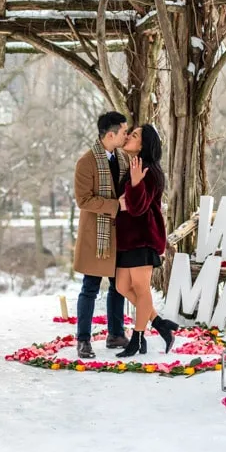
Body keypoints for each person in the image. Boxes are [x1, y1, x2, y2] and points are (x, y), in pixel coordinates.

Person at [112, 123, 178, 358]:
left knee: (141, 288)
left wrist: (137, 183)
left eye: (135, 135)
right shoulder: (133, 166)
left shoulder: (149, 171)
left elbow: (137, 208)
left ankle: (138, 338)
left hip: (143, 238)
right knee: (122, 286)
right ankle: (160, 324)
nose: (129, 136)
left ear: (144, 144)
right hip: (127, 240)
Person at [72, 111, 130, 359]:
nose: (127, 135)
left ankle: (116, 334)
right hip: (97, 236)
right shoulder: (86, 162)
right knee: (90, 287)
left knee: (119, 286)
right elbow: (83, 200)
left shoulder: (123, 158)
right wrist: (116, 205)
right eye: (124, 132)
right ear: (110, 134)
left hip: (120, 234)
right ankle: (83, 339)